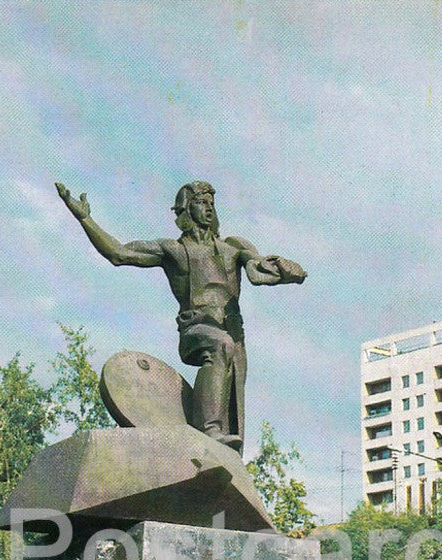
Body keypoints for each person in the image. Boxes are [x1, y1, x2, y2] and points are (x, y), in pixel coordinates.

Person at [55, 180, 306, 451]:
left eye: (212, 202)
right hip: (197, 331)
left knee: (234, 418)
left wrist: (281, 269)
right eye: (201, 202)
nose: (208, 207)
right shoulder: (172, 250)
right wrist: (85, 218)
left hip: (234, 334)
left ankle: (219, 460)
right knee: (220, 346)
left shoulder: (233, 247)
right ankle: (208, 430)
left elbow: (257, 270)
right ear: (186, 209)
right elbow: (118, 253)